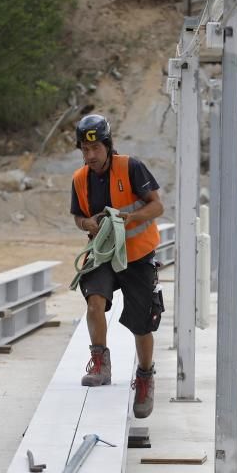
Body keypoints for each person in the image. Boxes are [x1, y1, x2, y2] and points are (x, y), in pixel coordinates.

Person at [70, 114, 164, 417]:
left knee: (142, 321)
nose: (90, 156)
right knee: (94, 301)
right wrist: (88, 223)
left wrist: (131, 218)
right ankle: (100, 363)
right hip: (103, 254)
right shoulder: (79, 179)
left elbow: (157, 205)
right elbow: (77, 217)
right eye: (84, 150)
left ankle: (146, 376)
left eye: (95, 149)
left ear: (108, 146)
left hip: (137, 255)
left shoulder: (131, 167)